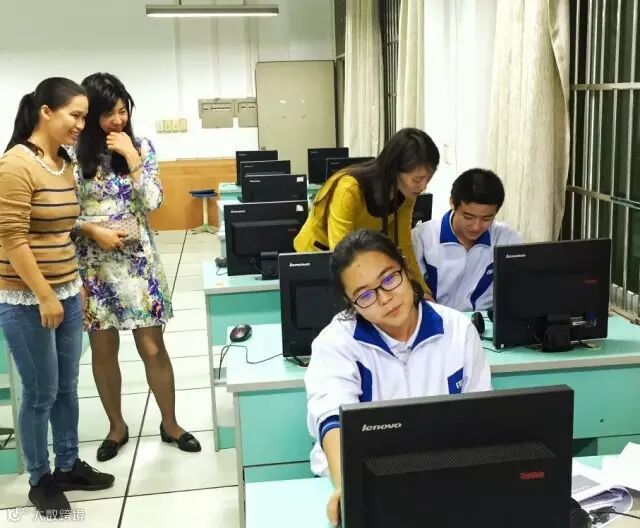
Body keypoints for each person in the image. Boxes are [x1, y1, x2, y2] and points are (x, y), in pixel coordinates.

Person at [304, 229, 492, 526]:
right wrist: (347, 486)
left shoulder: (457, 330)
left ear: (405, 267)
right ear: (350, 303)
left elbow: (482, 416)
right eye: (365, 295)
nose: (385, 299)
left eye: (389, 278)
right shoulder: (336, 343)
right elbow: (331, 419)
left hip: (444, 479)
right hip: (365, 482)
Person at [0, 78, 114, 518]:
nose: (81, 125)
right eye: (75, 115)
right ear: (46, 112)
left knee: (67, 386)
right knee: (40, 392)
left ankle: (67, 465)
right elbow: (13, 239)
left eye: (84, 116)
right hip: (26, 298)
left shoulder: (63, 162)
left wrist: (73, 284)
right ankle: (40, 479)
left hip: (65, 290)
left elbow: (62, 229)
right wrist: (45, 295)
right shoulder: (15, 165)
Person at [72, 73, 200, 462]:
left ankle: (170, 424)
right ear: (90, 115)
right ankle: (117, 427)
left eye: (123, 111)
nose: (118, 120)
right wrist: (91, 229)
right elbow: (62, 214)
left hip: (138, 263)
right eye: (109, 113)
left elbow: (154, 201)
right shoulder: (71, 155)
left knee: (152, 346)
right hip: (94, 264)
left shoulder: (141, 147)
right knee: (103, 349)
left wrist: (132, 157)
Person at [294, 128, 439, 294]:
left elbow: (403, 243)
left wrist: (421, 289)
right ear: (394, 169)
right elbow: (342, 252)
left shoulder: (407, 193)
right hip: (317, 256)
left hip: (357, 254)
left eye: (428, 178)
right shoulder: (349, 189)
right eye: (417, 179)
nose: (423, 186)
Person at [412, 168, 522, 312]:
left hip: (482, 321)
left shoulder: (507, 240)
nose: (476, 227)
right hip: (434, 319)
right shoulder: (421, 237)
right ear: (452, 203)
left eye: (486, 219)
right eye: (468, 217)